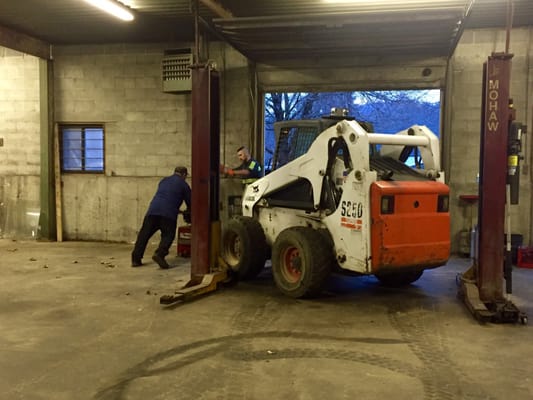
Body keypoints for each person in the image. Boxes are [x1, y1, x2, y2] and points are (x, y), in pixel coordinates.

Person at [131, 166, 191, 269]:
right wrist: (188, 213)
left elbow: (166, 197)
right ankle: (160, 254)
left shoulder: (164, 181)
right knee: (168, 235)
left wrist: (177, 210)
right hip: (168, 215)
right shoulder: (184, 185)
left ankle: (136, 259)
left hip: (152, 211)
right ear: (184, 175)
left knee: (144, 235)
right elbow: (191, 203)